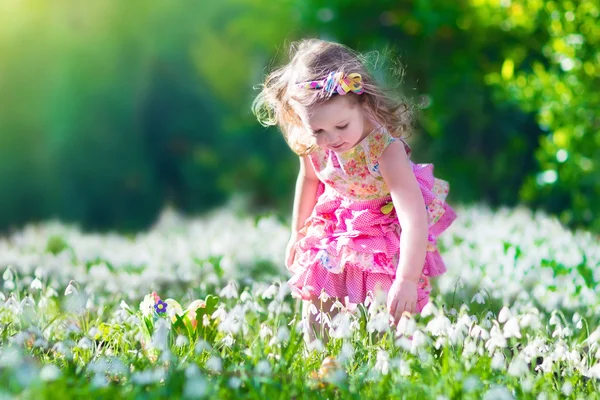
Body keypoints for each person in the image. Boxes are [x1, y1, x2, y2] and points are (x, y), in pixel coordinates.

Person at [252, 39, 457, 344]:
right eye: (318, 130)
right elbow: (309, 180)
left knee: (383, 306)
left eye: (341, 126)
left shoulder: (385, 151)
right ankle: (321, 361)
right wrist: (297, 232)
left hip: (382, 227)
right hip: (338, 220)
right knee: (319, 289)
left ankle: (383, 360)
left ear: (362, 104)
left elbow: (415, 221)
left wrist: (407, 279)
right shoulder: (312, 144)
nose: (331, 139)